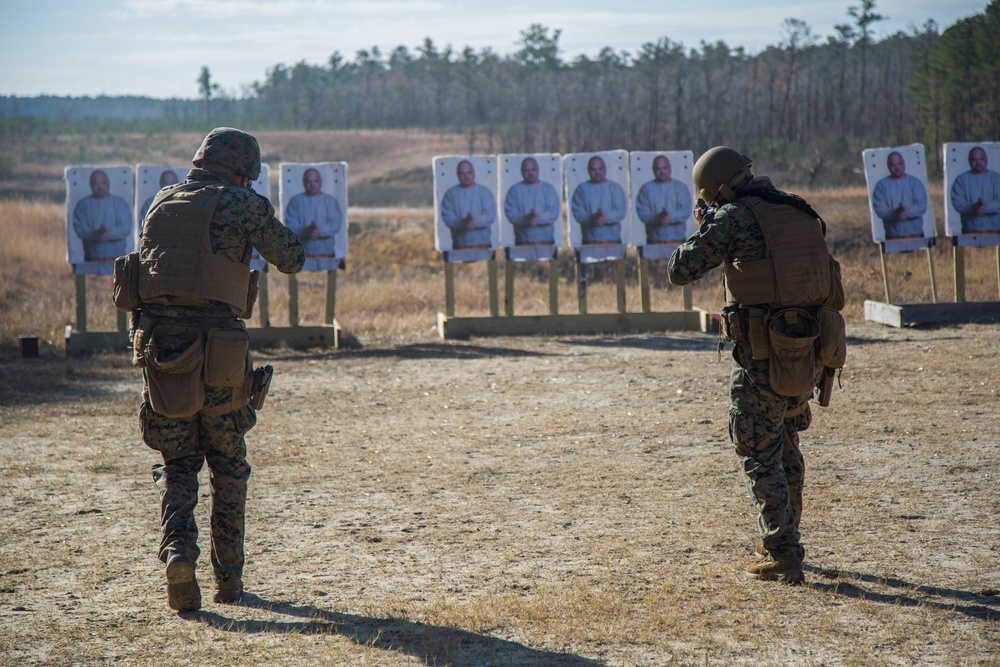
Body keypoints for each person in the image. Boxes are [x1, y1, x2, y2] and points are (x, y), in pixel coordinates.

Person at [124, 128, 305, 612]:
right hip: (221, 354)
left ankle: (178, 553)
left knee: (178, 463)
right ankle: (229, 582)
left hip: (162, 352)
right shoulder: (242, 203)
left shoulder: (163, 200)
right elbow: (291, 258)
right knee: (228, 466)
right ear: (243, 170)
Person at [667, 146, 845, 585]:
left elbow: (680, 270)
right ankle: (788, 538)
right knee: (785, 445)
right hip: (805, 350)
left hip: (762, 354)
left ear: (715, 189)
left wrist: (705, 222)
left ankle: (783, 553)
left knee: (757, 451)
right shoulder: (795, 209)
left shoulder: (733, 217)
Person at [72, 169, 133, 261]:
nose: (100, 187)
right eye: (96, 184)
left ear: (108, 183)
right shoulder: (83, 205)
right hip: (91, 259)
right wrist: (94, 234)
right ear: (90, 185)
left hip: (117, 259)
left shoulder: (120, 203)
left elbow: (126, 227)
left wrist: (110, 234)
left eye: (103, 183)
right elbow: (79, 229)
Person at [283, 167, 344, 257]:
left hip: (327, 254)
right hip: (302, 255)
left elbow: (336, 224)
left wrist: (320, 231)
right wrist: (305, 231)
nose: (312, 185)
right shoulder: (295, 201)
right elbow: (290, 226)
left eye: (315, 181)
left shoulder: (330, 201)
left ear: (320, 181)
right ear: (303, 182)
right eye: (308, 181)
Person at [635, 155, 693, 244]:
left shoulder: (681, 187)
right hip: (654, 242)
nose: (662, 172)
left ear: (670, 168)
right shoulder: (646, 189)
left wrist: (671, 217)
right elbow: (642, 212)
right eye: (658, 169)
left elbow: (686, 210)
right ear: (653, 170)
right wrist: (656, 218)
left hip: (678, 241)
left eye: (664, 168)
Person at [440, 160, 497, 250]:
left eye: (469, 172)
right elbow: (447, 218)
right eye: (462, 174)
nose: (466, 177)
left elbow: (491, 215)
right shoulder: (450, 194)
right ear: (457, 175)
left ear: (474, 172)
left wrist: (476, 221)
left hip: (484, 245)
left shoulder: (484, 192)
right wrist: (462, 222)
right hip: (460, 246)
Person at [871, 151, 928, 239]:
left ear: (904, 164)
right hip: (893, 236)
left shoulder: (915, 183)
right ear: (888, 166)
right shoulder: (881, 186)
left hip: (916, 235)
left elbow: (922, 205)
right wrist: (894, 213)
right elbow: (880, 209)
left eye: (899, 163)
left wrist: (908, 212)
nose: (897, 168)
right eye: (893, 165)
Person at [503, 157, 561, 246]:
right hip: (522, 242)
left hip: (547, 242)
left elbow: (554, 212)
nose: (530, 173)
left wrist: (539, 219)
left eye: (533, 169)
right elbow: (511, 214)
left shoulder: (548, 189)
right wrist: (525, 219)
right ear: (521, 172)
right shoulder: (514, 190)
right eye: (526, 170)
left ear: (538, 169)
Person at [570, 155, 627, 245]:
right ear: (588, 170)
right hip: (589, 241)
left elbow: (621, 211)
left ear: (605, 169)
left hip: (613, 241)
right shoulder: (581, 189)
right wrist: (592, 218)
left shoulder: (615, 188)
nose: (597, 173)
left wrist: (606, 218)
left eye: (600, 168)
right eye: (593, 169)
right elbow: (577, 213)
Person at [950, 146, 1000, 234]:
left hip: (996, 231)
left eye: (981, 159)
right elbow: (958, 203)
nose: (978, 163)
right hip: (969, 231)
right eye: (974, 160)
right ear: (969, 161)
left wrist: (987, 208)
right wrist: (972, 208)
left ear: (986, 159)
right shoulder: (961, 180)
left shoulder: (997, 179)